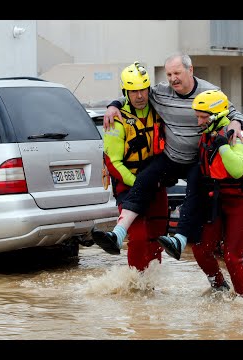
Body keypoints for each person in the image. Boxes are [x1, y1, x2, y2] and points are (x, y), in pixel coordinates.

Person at [95, 52, 243, 257]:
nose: (173, 78)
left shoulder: (210, 91)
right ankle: (118, 233)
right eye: (168, 74)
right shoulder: (160, 93)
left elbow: (233, 112)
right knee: (144, 179)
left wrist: (237, 122)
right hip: (170, 157)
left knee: (194, 190)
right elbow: (134, 95)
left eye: (177, 72)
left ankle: (180, 239)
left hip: (196, 159)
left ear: (190, 70)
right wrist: (113, 106)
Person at [171, 89, 243, 298]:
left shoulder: (236, 136)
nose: (198, 122)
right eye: (198, 117)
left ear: (216, 116)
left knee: (232, 257)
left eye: (202, 117)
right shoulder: (208, 135)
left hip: (241, 201)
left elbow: (237, 169)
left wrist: (223, 146)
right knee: (200, 248)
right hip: (216, 200)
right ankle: (219, 286)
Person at [91, 61, 168, 272]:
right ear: (126, 91)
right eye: (134, 91)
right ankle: (135, 286)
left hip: (156, 182)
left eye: (143, 89)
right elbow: (113, 163)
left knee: (158, 236)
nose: (140, 95)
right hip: (129, 184)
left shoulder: (158, 108)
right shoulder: (116, 119)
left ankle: (152, 287)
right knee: (139, 237)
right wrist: (139, 184)